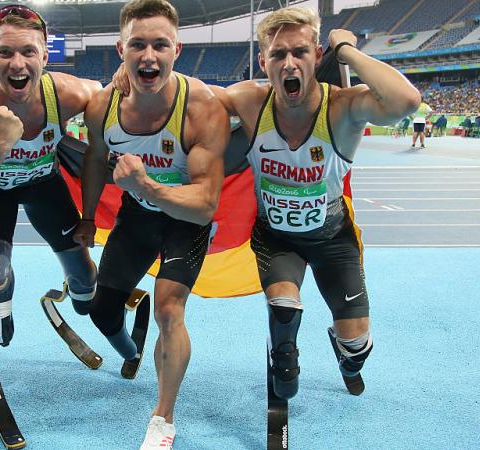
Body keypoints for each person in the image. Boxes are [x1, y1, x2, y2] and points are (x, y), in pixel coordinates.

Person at [208, 7, 419, 403]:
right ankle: (284, 357)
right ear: (263, 62)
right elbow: (187, 101)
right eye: (278, 54)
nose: (289, 62)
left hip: (332, 240)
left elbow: (407, 100)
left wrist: (347, 50)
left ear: (317, 56)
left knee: (358, 348)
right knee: (285, 310)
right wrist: (126, 79)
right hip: (276, 239)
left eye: (300, 52)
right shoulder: (249, 101)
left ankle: (346, 352)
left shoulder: (343, 108)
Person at [77, 1, 229, 448]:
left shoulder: (201, 107)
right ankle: (133, 349)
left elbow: (204, 205)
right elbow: (91, 159)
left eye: (160, 45)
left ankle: (163, 418)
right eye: (138, 45)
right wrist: (87, 216)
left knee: (169, 309)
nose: (149, 57)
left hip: (185, 221)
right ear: (120, 49)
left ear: (176, 49)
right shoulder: (102, 106)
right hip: (137, 219)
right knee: (101, 312)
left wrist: (146, 184)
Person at [0, 6, 102, 348]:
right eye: (4, 52)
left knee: (86, 286)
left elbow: (114, 102)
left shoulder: (72, 95)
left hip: (46, 187)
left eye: (28, 51)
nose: (17, 63)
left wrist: (127, 81)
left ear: (44, 55)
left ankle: (79, 289)